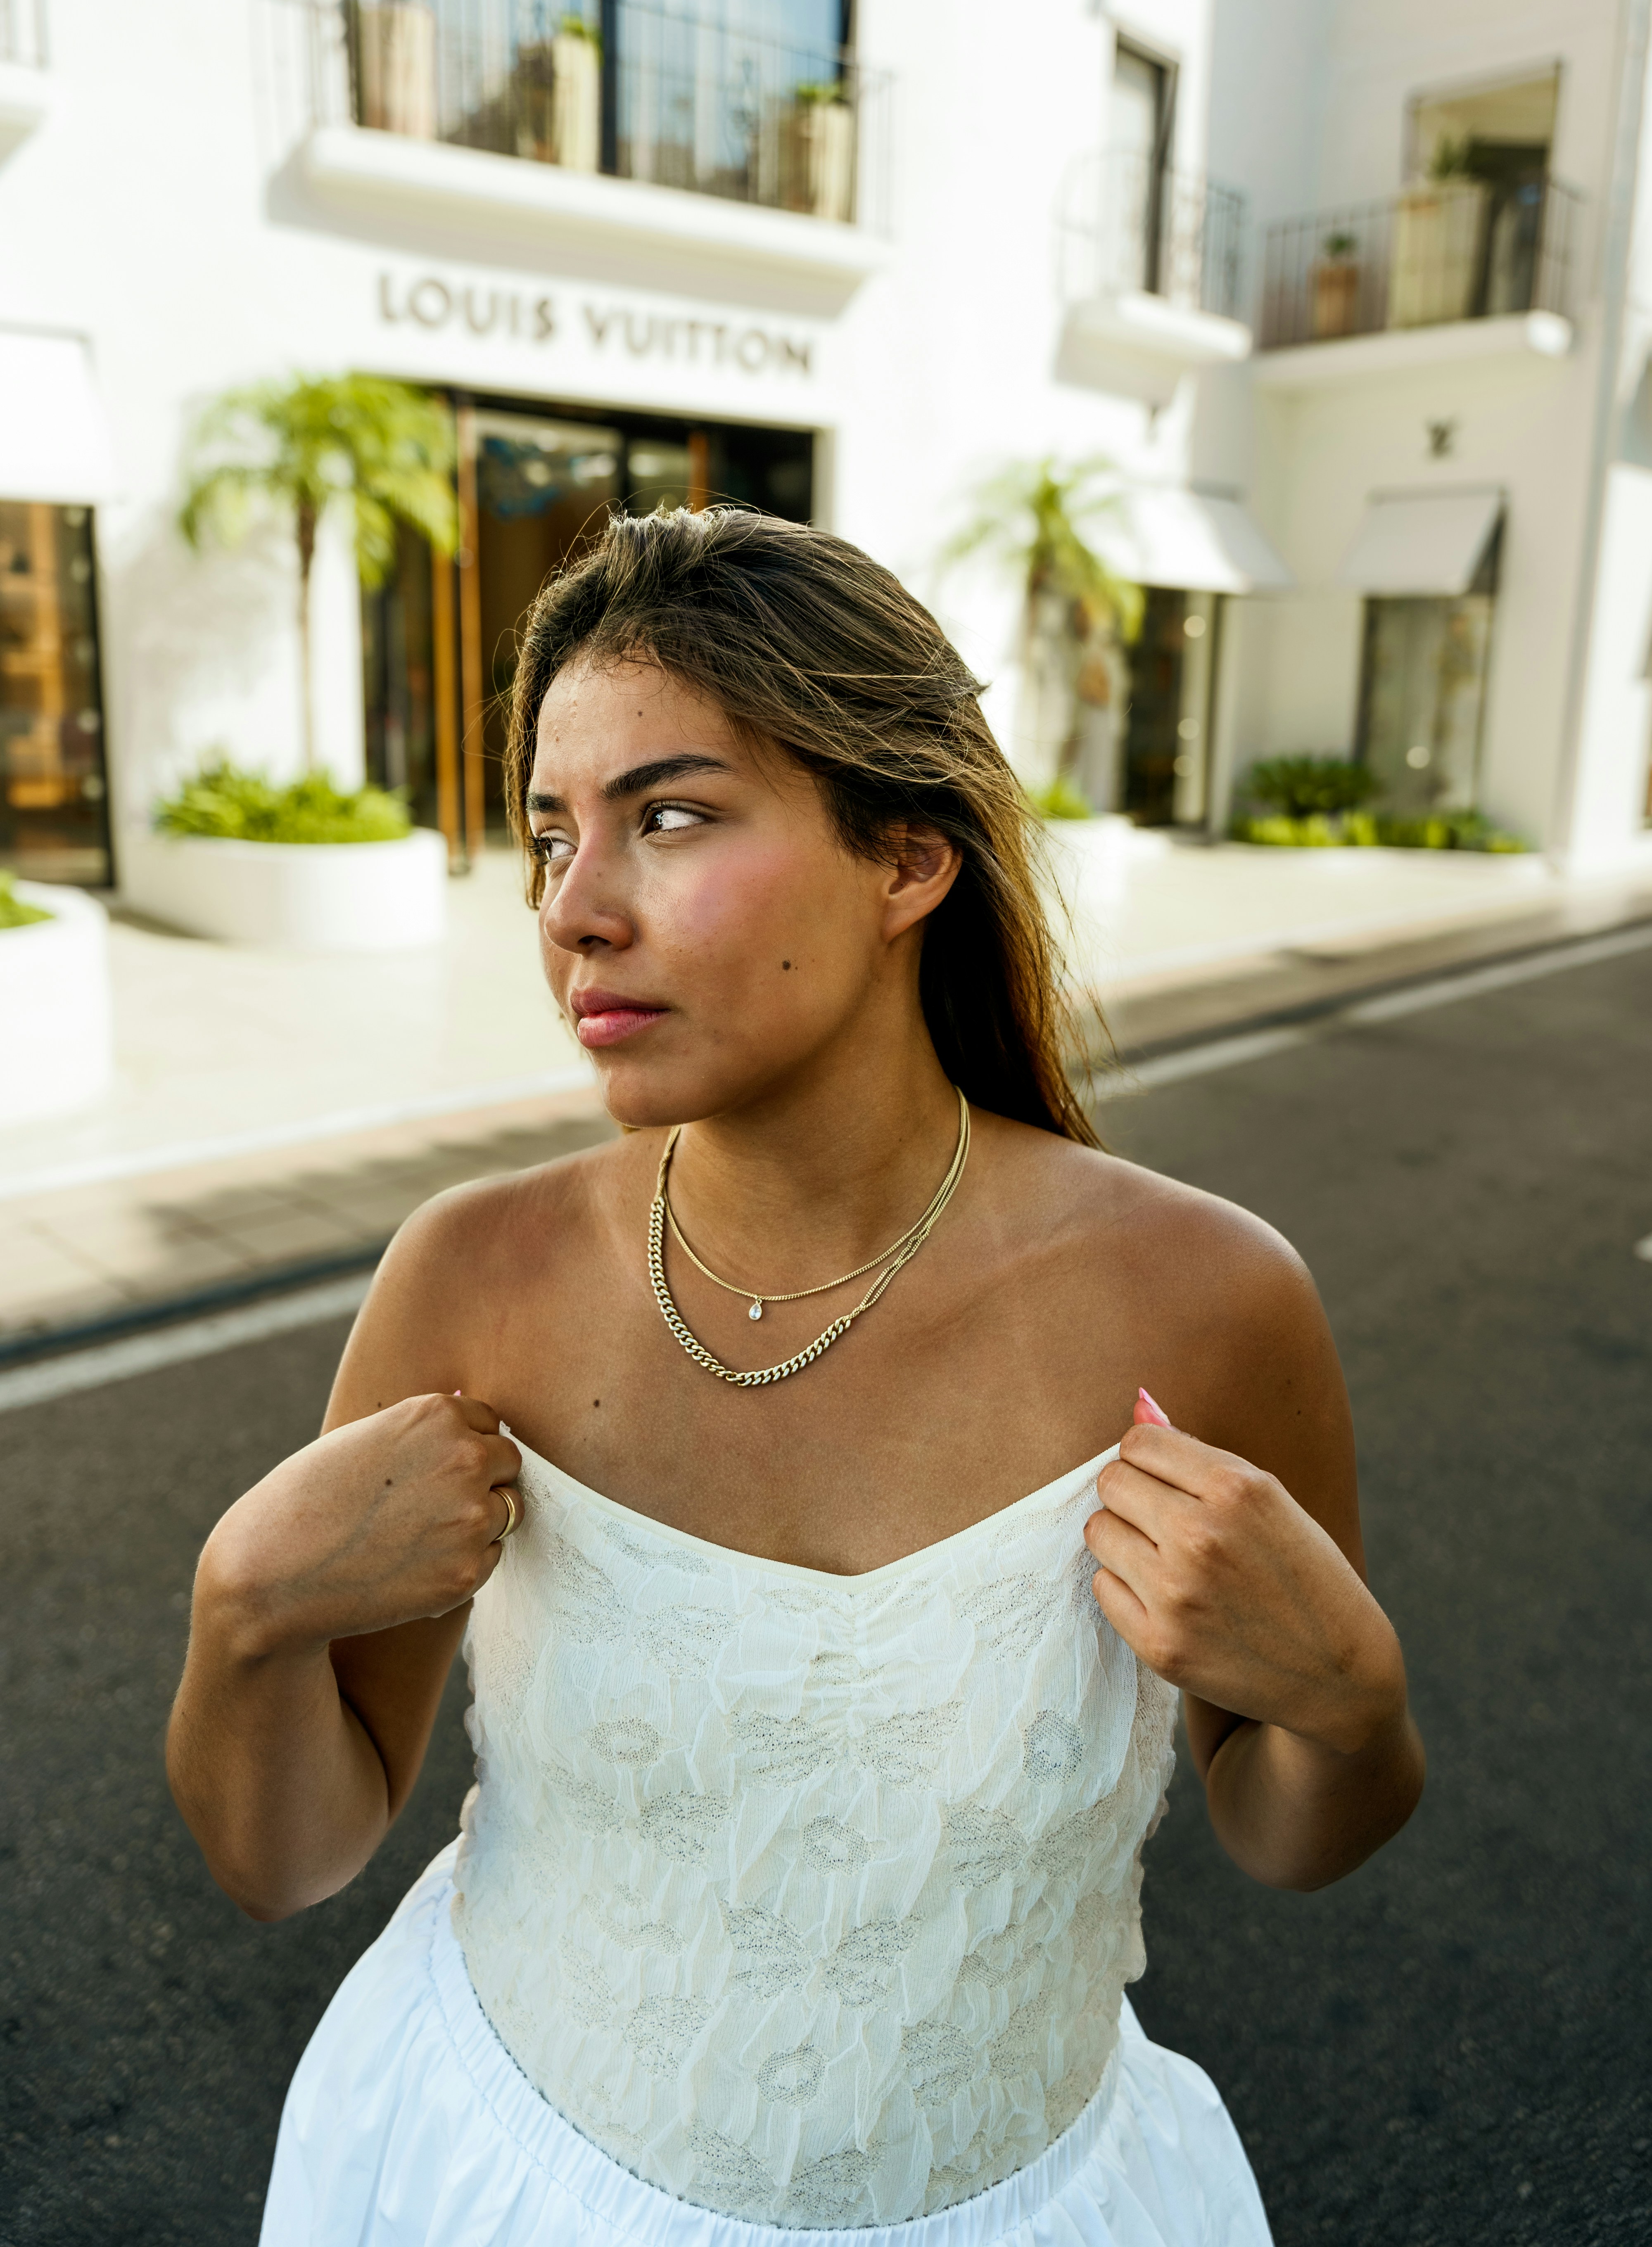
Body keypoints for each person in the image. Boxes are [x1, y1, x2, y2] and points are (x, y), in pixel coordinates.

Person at [168, 508, 1425, 2247]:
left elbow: (1294, 1834)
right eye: (551, 834)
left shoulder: (1206, 1300)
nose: (573, 910)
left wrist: (1356, 1706)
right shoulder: (472, 1277)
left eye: (669, 818)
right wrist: (245, 1611)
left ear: (906, 862)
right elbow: (284, 1860)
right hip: (502, 2181)